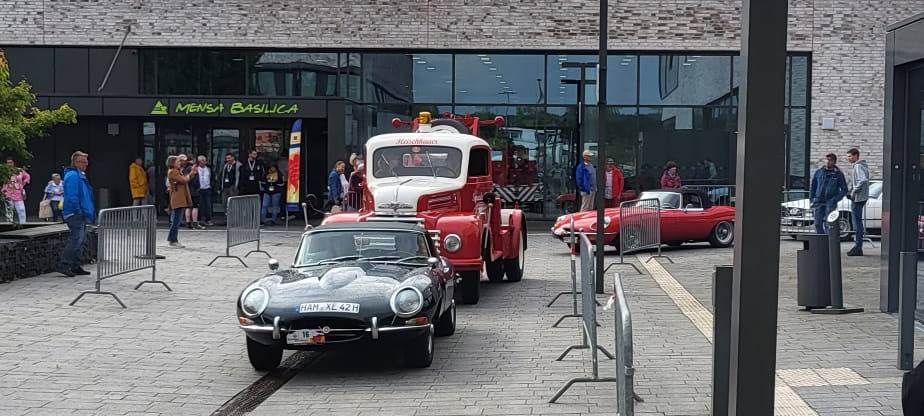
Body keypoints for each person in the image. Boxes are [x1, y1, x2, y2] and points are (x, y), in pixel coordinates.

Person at [57, 151, 94, 277]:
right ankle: (65, 264)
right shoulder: (73, 176)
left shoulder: (78, 175)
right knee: (76, 240)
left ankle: (75, 265)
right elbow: (72, 196)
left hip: (79, 212)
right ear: (76, 162)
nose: (86, 164)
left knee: (80, 240)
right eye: (83, 162)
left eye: (86, 161)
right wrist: (79, 211)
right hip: (75, 213)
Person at [810, 153, 848, 234]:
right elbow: (813, 186)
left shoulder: (838, 174)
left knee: (829, 225)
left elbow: (844, 189)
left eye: (830, 160)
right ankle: (821, 242)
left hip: (830, 202)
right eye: (826, 159)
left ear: (834, 162)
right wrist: (811, 199)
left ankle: (828, 243)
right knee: (817, 224)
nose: (827, 162)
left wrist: (835, 199)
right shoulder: (819, 172)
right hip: (818, 202)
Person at [166, 155, 197, 248]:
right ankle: (173, 240)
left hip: (180, 198)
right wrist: (191, 173)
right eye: (178, 161)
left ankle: (173, 239)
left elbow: (184, 180)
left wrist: (191, 173)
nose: (180, 163)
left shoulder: (176, 171)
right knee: (176, 221)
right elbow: (183, 180)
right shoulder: (173, 172)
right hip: (177, 199)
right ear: (173, 163)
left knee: (176, 220)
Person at [846, 148, 870, 256]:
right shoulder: (863, 166)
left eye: (850, 156)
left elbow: (862, 180)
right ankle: (858, 246)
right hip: (862, 197)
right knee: (857, 222)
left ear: (856, 156)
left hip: (858, 198)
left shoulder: (858, 166)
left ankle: (858, 247)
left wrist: (853, 192)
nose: (848, 158)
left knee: (857, 223)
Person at [3, 157, 31, 224]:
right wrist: (3, 189)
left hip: (18, 193)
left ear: (13, 163)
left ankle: (23, 224)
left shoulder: (19, 170)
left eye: (11, 162)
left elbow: (27, 176)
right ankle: (9, 226)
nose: (9, 164)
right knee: (9, 211)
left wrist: (22, 184)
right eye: (8, 163)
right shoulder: (4, 172)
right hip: (8, 193)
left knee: (21, 209)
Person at [180, 155, 204, 230]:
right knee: (195, 207)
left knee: (188, 207)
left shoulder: (184, 169)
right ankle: (195, 222)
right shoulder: (192, 168)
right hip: (194, 190)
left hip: (187, 190)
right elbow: (195, 180)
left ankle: (188, 223)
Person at [196, 155, 214, 226]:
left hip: (207, 189)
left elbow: (212, 178)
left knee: (208, 205)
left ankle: (208, 219)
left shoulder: (208, 169)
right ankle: (199, 219)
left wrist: (212, 186)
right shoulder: (196, 169)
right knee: (200, 205)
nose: (202, 163)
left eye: (204, 161)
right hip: (199, 189)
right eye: (200, 161)